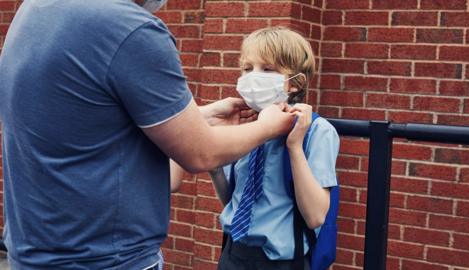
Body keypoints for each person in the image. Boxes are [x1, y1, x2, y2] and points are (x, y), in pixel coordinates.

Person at [0, 1, 295, 269]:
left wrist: (197, 117)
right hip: (105, 259)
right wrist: (269, 126)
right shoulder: (129, 28)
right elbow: (200, 153)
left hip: (33, 252)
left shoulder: (35, 9)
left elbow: (89, 123)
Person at [207, 27, 340, 270]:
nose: (253, 76)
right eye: (247, 68)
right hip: (233, 254)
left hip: (281, 262)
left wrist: (294, 147)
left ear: (294, 83)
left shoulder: (318, 132)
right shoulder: (248, 126)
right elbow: (233, 200)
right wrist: (215, 168)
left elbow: (315, 216)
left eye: (267, 69)